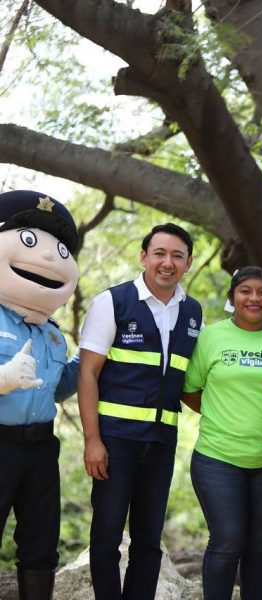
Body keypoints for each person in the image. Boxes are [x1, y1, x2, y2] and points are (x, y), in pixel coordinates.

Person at [77, 223, 202, 600]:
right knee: (106, 537)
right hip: (115, 441)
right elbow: (87, 372)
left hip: (162, 442)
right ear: (143, 256)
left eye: (177, 256)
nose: (168, 262)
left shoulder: (193, 312)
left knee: (148, 541)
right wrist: (92, 440)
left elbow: (188, 382)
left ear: (189, 263)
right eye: (159, 253)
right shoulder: (112, 302)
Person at [182, 266, 262, 600]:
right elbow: (189, 389)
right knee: (227, 540)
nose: (254, 298)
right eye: (245, 291)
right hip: (218, 459)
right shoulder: (211, 337)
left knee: (261, 546)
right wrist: (223, 413)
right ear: (232, 298)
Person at [0, 190, 80, 600]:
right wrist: (2, 378)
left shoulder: (53, 333)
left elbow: (58, 389)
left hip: (41, 447)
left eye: (60, 249)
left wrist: (84, 360)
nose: (49, 257)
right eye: (31, 240)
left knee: (41, 543)